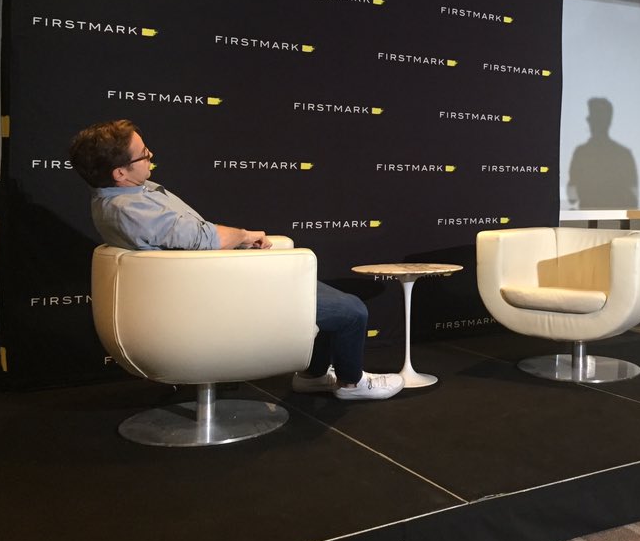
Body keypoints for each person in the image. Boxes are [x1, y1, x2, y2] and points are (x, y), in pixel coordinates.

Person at [69, 119, 403, 401]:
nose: (151, 156)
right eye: (143, 154)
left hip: (214, 282)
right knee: (351, 311)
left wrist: (241, 247)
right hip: (216, 297)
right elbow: (202, 238)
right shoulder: (130, 209)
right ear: (120, 173)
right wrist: (243, 236)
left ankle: (314, 376)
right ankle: (352, 383)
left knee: (322, 298)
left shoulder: (122, 197)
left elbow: (191, 240)